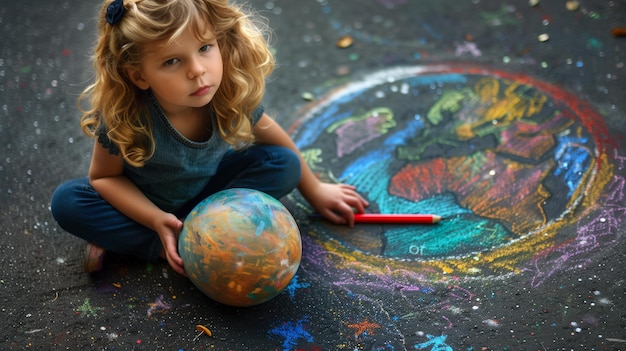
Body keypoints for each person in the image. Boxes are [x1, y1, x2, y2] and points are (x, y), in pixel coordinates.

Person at [51, 0, 368, 276]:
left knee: (284, 164)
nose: (198, 70)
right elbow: (104, 178)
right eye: (172, 61)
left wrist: (315, 191)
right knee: (68, 202)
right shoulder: (127, 116)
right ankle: (169, 244)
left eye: (204, 48)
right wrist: (156, 220)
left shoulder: (227, 92)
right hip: (144, 206)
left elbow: (275, 139)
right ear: (139, 75)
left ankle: (191, 233)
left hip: (209, 195)